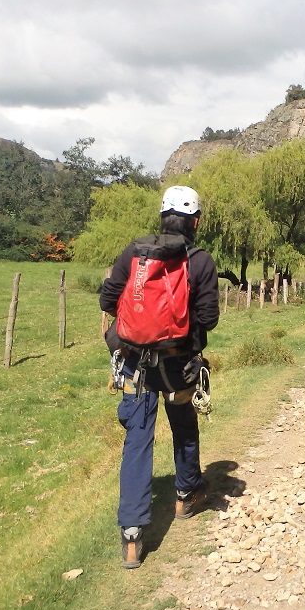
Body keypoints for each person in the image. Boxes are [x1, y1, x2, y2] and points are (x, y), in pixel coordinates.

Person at [100, 185, 220, 569]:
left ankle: (132, 536)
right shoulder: (200, 260)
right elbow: (209, 319)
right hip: (178, 363)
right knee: (183, 423)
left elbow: (107, 299)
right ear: (195, 221)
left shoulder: (134, 252)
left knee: (138, 439)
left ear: (162, 217)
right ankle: (186, 494)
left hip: (135, 361)